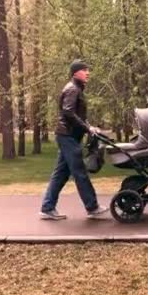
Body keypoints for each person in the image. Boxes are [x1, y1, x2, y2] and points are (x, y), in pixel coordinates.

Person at [39, 59, 108, 220]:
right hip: (67, 136)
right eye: (85, 70)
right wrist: (87, 128)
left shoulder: (76, 88)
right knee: (80, 171)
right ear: (76, 72)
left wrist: (90, 127)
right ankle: (92, 206)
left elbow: (78, 115)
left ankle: (47, 207)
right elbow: (68, 113)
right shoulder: (72, 89)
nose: (88, 73)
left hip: (68, 135)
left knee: (61, 173)